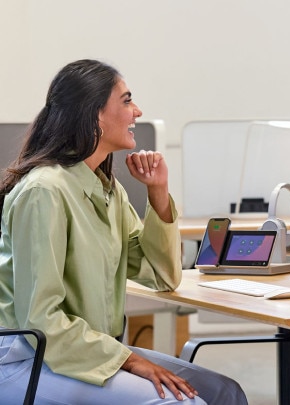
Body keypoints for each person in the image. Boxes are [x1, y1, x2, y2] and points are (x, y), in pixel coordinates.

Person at [0, 59, 248, 405]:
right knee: (181, 403)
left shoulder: (107, 190)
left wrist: (158, 192)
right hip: (27, 359)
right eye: (127, 100)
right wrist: (131, 360)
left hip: (85, 353)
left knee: (225, 393)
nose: (137, 111)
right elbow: (41, 320)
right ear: (95, 115)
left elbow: (162, 276)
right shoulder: (45, 192)